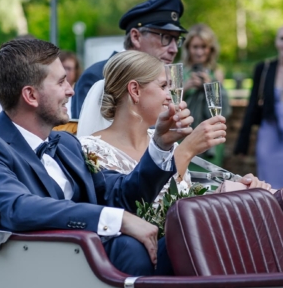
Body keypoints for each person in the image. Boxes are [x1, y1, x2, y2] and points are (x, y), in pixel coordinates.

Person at [0, 37, 197, 276]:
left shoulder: (66, 143)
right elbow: (16, 207)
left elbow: (119, 193)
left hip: (93, 267)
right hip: (46, 274)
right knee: (131, 248)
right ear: (31, 96)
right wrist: (117, 219)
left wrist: (160, 145)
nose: (71, 90)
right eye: (61, 82)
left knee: (189, 234)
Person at [77, 51, 270, 198]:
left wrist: (235, 189)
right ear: (135, 90)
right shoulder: (90, 150)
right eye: (163, 86)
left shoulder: (161, 141)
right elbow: (144, 209)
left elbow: (184, 202)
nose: (171, 95)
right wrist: (187, 150)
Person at [71, 0, 187, 118]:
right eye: (166, 37)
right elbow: (88, 135)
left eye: (176, 39)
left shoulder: (168, 79)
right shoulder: (98, 76)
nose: (174, 49)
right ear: (136, 37)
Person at [234, 25, 283, 189]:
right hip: (269, 139)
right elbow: (252, 106)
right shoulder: (264, 69)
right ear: (276, 43)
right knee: (268, 189)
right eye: (282, 38)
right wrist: (243, 142)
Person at [181, 23, 230, 165]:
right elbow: (167, 105)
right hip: (185, 135)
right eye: (195, 47)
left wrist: (211, 86)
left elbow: (224, 109)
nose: (199, 52)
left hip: (211, 136)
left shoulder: (217, 72)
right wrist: (186, 87)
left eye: (203, 47)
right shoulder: (181, 71)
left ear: (210, 49)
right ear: (188, 48)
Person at [60, 51, 81, 119]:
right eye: (63, 67)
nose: (65, 72)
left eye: (68, 68)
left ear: (76, 71)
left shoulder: (80, 92)